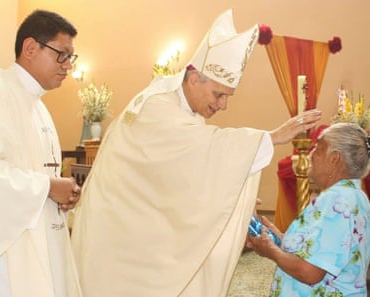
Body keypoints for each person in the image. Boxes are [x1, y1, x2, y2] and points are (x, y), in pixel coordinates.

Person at [71, 9, 321, 297]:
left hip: (132, 225)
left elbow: (177, 172)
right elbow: (205, 147)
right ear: (193, 79)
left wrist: (233, 188)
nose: (224, 105)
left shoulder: (178, 109)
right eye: (219, 94)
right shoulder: (158, 108)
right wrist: (272, 137)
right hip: (121, 233)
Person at [0, 10, 82, 297]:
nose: (68, 65)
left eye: (72, 57)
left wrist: (61, 192)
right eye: (62, 54)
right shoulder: (1, 91)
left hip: (46, 237)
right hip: (12, 253)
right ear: (31, 48)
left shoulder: (39, 105)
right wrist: (47, 187)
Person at [247, 123, 370, 297]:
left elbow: (310, 272)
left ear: (334, 158)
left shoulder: (337, 200)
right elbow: (320, 250)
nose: (310, 154)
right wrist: (278, 239)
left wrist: (271, 251)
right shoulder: (354, 195)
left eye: (318, 148)